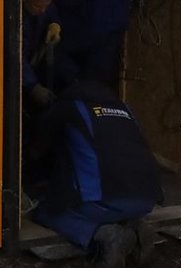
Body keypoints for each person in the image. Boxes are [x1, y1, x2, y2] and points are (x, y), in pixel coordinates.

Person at [31, 80, 162, 267]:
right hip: (147, 199)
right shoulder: (125, 109)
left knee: (47, 213)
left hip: (102, 202)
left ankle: (102, 235)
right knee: (118, 199)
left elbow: (37, 150)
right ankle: (136, 227)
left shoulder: (68, 108)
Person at [22, 0, 63, 106]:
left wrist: (55, 24)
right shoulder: (17, 20)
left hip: (37, 62)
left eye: (46, 6)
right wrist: (33, 86)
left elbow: (51, 12)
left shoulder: (44, 6)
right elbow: (17, 58)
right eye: (38, 7)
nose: (43, 11)